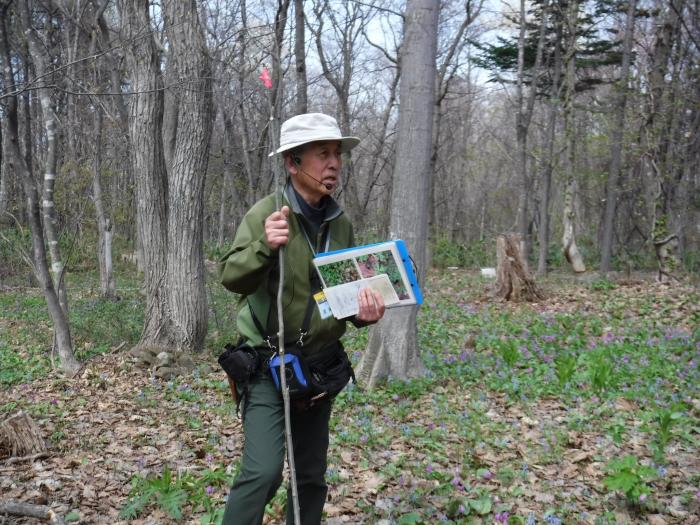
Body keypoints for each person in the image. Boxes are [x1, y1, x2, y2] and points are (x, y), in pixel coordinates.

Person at [218, 113, 386, 525]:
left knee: (310, 477)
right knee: (263, 473)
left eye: (337, 155)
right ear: (293, 163)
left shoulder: (339, 222)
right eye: (323, 154)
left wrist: (366, 314)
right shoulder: (267, 213)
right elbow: (230, 277)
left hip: (318, 367)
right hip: (266, 364)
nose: (334, 164)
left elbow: (340, 294)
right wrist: (263, 245)